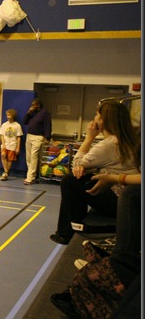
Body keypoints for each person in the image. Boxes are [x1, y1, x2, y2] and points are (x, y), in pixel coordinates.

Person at [49, 100, 139, 245]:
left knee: (70, 180)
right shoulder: (129, 140)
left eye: (97, 115)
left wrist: (89, 137)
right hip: (131, 198)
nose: (94, 117)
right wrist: (86, 168)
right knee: (79, 176)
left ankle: (65, 233)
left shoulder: (109, 144)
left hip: (120, 201)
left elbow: (77, 163)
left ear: (103, 121)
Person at [23, 98, 52, 185]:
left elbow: (48, 125)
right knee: (28, 157)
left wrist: (47, 137)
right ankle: (32, 175)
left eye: (33, 105)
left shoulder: (44, 113)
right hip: (29, 135)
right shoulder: (32, 113)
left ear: (38, 105)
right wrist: (28, 113)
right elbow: (25, 122)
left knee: (34, 156)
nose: (32, 106)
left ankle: (30, 177)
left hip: (38, 137)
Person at [0, 108, 23, 180]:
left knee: (10, 159)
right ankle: (6, 171)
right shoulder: (4, 125)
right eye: (7, 115)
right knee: (3, 155)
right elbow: (2, 135)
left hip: (13, 144)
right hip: (5, 144)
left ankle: (5, 174)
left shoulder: (17, 125)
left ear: (13, 116)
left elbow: (18, 137)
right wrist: (3, 144)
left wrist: (18, 147)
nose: (8, 117)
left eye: (9, 115)